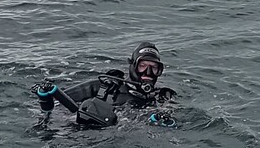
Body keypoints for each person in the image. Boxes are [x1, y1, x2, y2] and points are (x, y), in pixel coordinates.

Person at [40, 41, 177, 128]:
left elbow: (171, 118)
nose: (148, 72)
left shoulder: (162, 96)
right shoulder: (105, 86)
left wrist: (159, 119)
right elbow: (58, 103)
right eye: (142, 66)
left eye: (154, 68)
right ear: (133, 66)